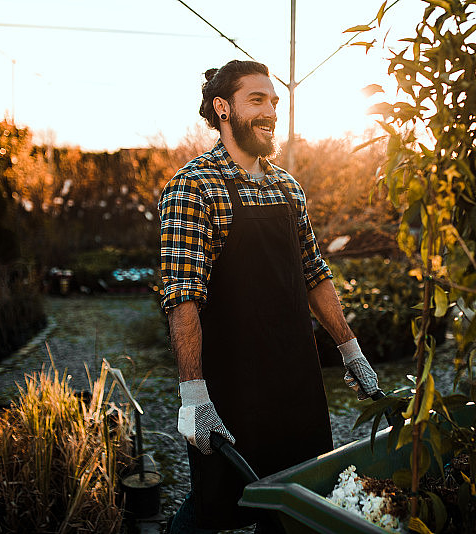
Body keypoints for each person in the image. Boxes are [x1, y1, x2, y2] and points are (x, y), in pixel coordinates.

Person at [159, 59, 381, 533]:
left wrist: (351, 349)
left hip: (296, 383)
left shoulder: (288, 188)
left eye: (274, 102)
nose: (271, 111)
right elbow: (183, 297)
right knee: (212, 510)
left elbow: (314, 275)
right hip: (233, 390)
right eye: (256, 100)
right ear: (223, 108)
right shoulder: (193, 187)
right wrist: (194, 396)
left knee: (294, 505)